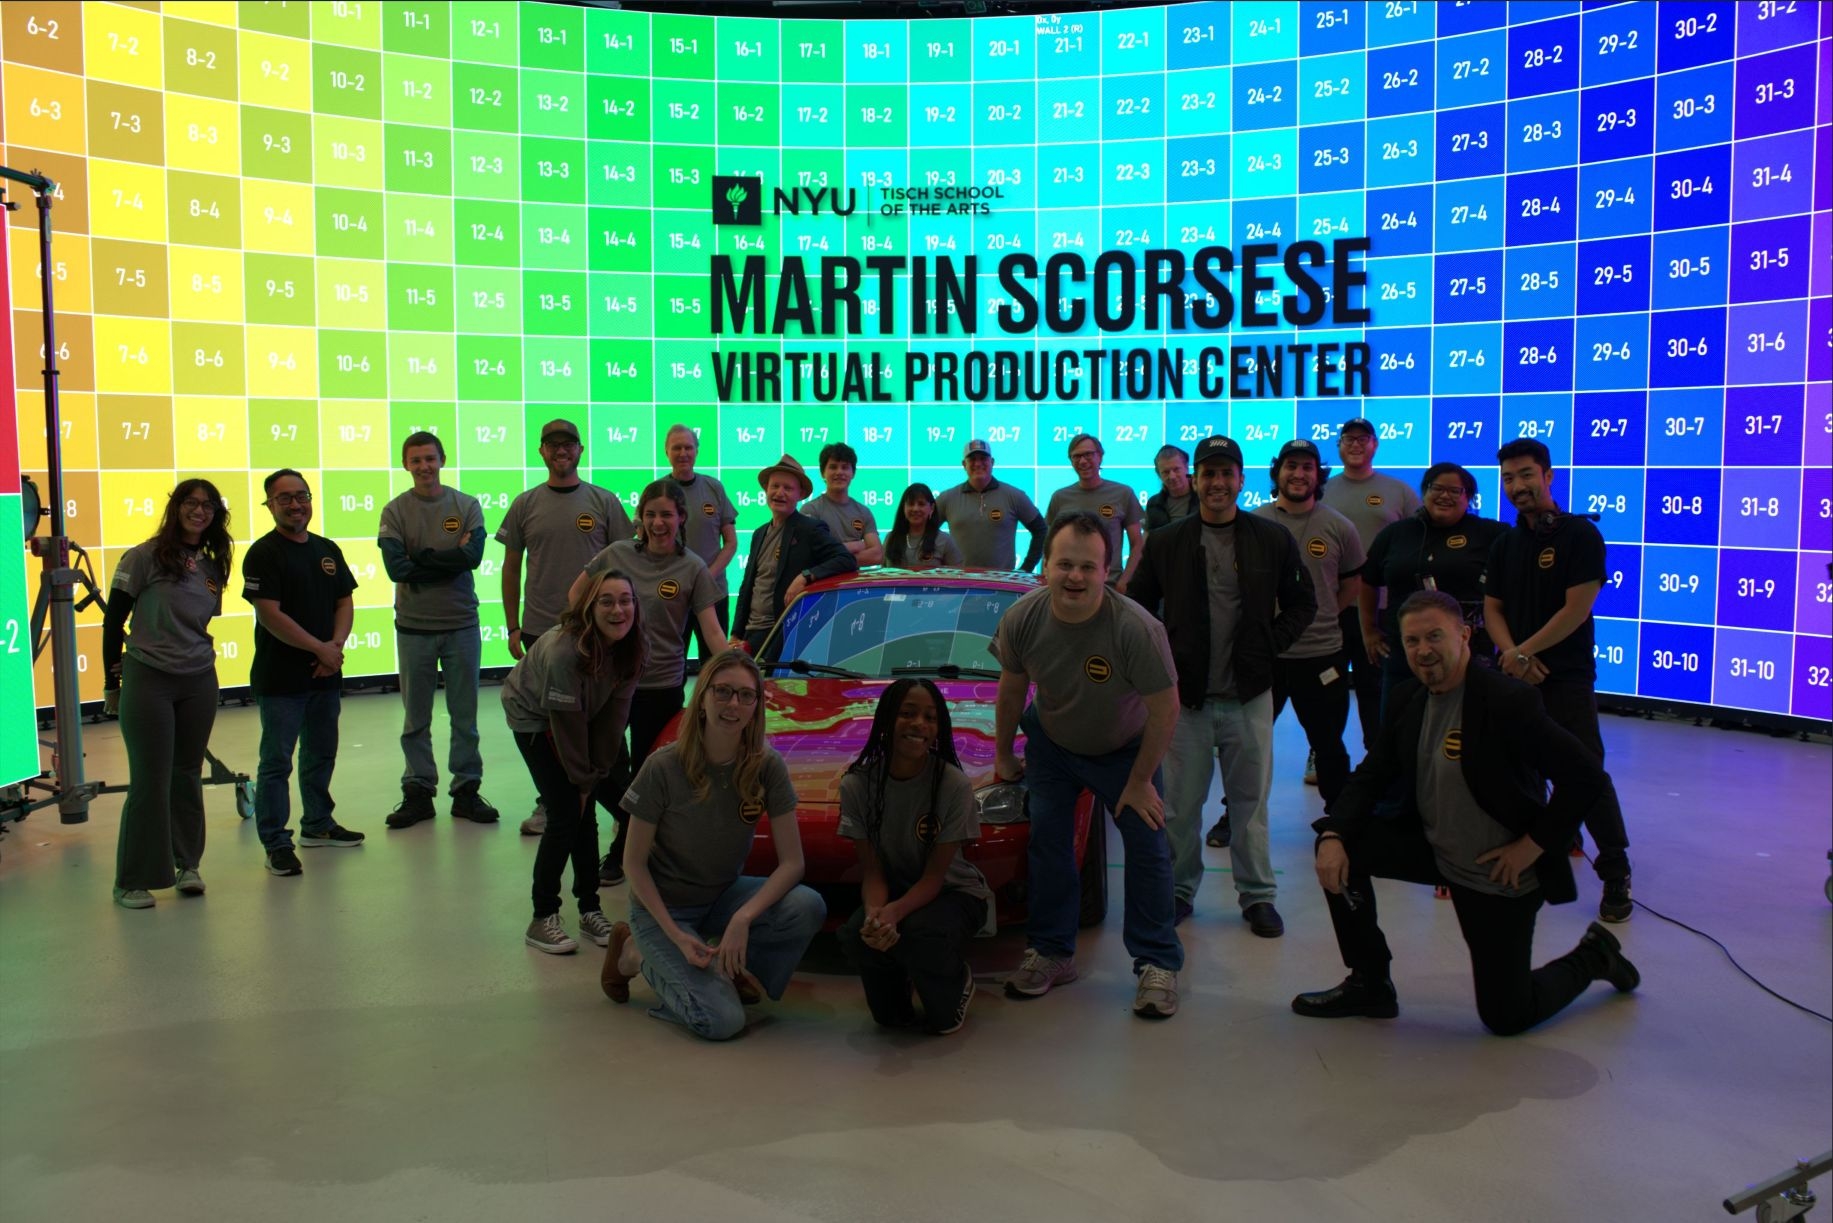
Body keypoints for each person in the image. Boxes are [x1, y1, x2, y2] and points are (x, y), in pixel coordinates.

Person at [1291, 591, 1640, 1034]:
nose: (1423, 650)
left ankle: (1595, 955)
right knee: (1341, 852)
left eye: (1435, 636)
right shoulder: (1406, 699)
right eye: (1412, 640)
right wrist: (1334, 834)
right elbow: (1372, 775)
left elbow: (1587, 777)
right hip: (1436, 850)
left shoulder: (1506, 701)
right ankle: (1370, 982)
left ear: (1465, 636)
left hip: (1498, 873)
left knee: (1506, 1017)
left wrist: (1531, 847)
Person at [992, 511, 1183, 1019]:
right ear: (1046, 568)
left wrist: (1141, 781)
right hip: (1053, 743)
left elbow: (1166, 709)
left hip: (1124, 751)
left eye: (1088, 566)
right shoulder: (1023, 618)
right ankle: (1052, 953)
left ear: (1108, 570)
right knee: (1048, 843)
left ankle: (1156, 963)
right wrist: (1004, 752)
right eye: (1064, 564)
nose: (1075, 576)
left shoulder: (1137, 629)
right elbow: (1012, 687)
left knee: (1147, 847)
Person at [1128, 437, 1316, 936]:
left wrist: (1267, 645)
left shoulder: (1271, 539)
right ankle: (1177, 891)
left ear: (1241, 480)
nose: (1217, 483)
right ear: (1196, 479)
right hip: (1184, 701)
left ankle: (1257, 897)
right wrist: (1160, 657)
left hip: (1249, 696)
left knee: (1250, 806)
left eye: (1226, 473)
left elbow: (1303, 603)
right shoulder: (1167, 542)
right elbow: (1139, 607)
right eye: (1208, 474)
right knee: (1179, 809)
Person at [599, 651, 827, 1041]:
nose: (733, 705)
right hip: (662, 908)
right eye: (722, 692)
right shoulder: (663, 767)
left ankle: (729, 971)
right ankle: (634, 952)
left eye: (745, 696)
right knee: (722, 1022)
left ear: (756, 706)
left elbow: (793, 864)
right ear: (702, 697)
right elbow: (633, 864)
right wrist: (673, 933)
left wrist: (742, 919)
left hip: (722, 896)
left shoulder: (766, 766)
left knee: (806, 906)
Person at [1482, 438, 1632, 923]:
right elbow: (1492, 610)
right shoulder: (1505, 544)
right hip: (1517, 674)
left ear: (1548, 476)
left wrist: (1525, 651)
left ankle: (1615, 871)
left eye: (1526, 475)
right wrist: (1511, 655)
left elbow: (1577, 609)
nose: (1517, 486)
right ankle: (1543, 852)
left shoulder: (1580, 536)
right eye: (1508, 478)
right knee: (1520, 770)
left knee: (1586, 770)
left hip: (1564, 676)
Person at [572, 478, 729, 885]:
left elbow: (711, 631)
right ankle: (632, 823)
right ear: (639, 518)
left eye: (667, 515)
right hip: (609, 682)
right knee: (601, 764)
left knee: (646, 773)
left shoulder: (692, 566)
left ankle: (626, 848)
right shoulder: (616, 554)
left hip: (660, 686)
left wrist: (733, 664)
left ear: (681, 518)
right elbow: (576, 597)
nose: (658, 522)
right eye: (650, 514)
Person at [496, 418, 633, 835]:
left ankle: (620, 808)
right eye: (552, 444)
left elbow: (624, 561)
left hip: (597, 632)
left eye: (568, 444)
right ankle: (552, 802)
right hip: (543, 632)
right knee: (553, 728)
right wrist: (513, 627)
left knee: (605, 724)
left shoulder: (604, 501)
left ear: (580, 450)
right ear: (541, 451)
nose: (561, 450)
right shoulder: (525, 503)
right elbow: (510, 566)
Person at [836, 680, 994, 1035]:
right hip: (896, 890)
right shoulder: (857, 785)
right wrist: (877, 917)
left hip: (955, 893)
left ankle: (957, 980)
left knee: (922, 940)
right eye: (907, 713)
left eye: (930, 717)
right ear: (887, 718)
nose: (919, 724)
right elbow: (873, 871)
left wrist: (894, 913)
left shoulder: (953, 785)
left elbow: (935, 878)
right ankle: (900, 979)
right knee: (857, 936)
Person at [102, 480, 232, 908]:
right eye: (191, 504)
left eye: (208, 506)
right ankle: (132, 880)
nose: (199, 511)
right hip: (149, 677)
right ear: (176, 508)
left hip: (198, 679)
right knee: (150, 780)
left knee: (187, 773)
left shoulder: (212, 567)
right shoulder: (143, 556)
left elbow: (200, 624)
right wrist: (111, 683)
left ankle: (187, 864)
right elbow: (113, 622)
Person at [502, 569, 645, 954]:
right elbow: (565, 728)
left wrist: (594, 775)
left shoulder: (633, 648)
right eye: (607, 601)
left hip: (585, 713)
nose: (618, 610)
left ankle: (589, 909)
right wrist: (582, 782)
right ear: (589, 607)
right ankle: (542, 916)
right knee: (566, 812)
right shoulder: (565, 651)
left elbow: (613, 723)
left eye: (626, 600)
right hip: (535, 716)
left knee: (585, 812)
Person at [242, 469, 361, 877]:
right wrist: (319, 648)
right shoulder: (263, 553)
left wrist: (336, 648)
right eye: (285, 498)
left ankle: (318, 825)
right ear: (270, 505)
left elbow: (344, 602)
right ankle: (276, 841)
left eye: (302, 495)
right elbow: (270, 615)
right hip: (281, 679)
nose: (296, 504)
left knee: (320, 753)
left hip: (325, 675)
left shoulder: (327, 549)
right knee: (276, 762)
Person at [377, 430, 497, 829]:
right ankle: (418, 791)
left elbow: (473, 557)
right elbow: (397, 568)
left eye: (430, 458)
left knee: (466, 716)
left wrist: (421, 557)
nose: (424, 466)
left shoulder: (467, 505)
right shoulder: (395, 511)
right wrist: (450, 557)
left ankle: (466, 791)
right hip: (414, 628)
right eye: (416, 460)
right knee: (416, 718)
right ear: (406, 465)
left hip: (461, 624)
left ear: (442, 459)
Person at [1252, 439, 1364, 815]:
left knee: (1329, 744)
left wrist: (1324, 611)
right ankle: (1235, 816)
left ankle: (1340, 819)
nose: (1299, 474)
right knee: (1248, 744)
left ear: (1318, 476)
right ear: (1277, 472)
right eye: (1291, 466)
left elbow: (1351, 583)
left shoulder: (1339, 526)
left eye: (1307, 467)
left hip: (1321, 655)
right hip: (1266, 654)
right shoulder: (1254, 522)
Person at [1359, 463, 1508, 716]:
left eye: (1455, 491)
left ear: (1469, 497)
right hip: (1404, 653)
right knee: (1398, 729)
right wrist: (1369, 631)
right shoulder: (1396, 533)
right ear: (1424, 492)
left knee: (1466, 729)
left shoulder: (1490, 533)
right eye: (1436, 488)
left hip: (1465, 656)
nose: (1444, 496)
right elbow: (1368, 580)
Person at [1320, 417, 1420, 753]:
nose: (1356, 444)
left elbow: (1419, 540)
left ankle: (1377, 755)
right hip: (1333, 608)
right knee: (1328, 684)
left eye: (1363, 439)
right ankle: (1322, 753)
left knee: (1373, 686)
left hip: (1382, 610)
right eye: (1349, 438)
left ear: (1375, 445)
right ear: (1339, 446)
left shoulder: (1399, 491)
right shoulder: (1323, 490)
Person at [732, 454, 858, 653]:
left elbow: (846, 560)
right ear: (766, 490)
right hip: (750, 634)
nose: (779, 493)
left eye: (787, 488)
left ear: (800, 495)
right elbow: (748, 585)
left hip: (782, 632)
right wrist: (735, 633)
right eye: (775, 486)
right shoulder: (759, 533)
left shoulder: (809, 529)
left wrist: (806, 576)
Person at [1032, 434, 1146, 590]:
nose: (1083, 461)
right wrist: (1047, 579)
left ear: (1100, 456)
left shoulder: (1123, 494)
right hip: (1067, 588)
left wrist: (1124, 581)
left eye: (1088, 454)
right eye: (1076, 456)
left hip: (1108, 587)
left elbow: (1137, 544)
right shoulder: (1060, 497)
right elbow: (1048, 545)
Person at [663, 423, 740, 653]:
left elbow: (731, 542)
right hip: (672, 592)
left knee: (715, 662)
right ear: (666, 452)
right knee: (671, 663)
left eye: (688, 447)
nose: (683, 453)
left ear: (697, 450)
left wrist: (706, 576)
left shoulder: (714, 487)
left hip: (713, 591)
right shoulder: (658, 491)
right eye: (676, 448)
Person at [935, 438, 1047, 570]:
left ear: (992, 462)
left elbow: (1041, 530)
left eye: (983, 458)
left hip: (1000, 584)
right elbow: (924, 532)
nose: (978, 463)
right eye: (972, 459)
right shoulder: (948, 498)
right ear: (964, 465)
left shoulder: (1014, 496)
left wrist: (1026, 569)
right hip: (960, 583)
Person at [800, 441, 884, 565]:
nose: (839, 472)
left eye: (845, 467)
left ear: (853, 473)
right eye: (833, 467)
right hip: (821, 583)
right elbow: (811, 554)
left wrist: (835, 558)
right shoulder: (810, 510)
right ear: (823, 473)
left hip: (854, 584)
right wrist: (858, 545)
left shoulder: (863, 512)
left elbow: (877, 555)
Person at [884, 482, 963, 570]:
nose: (915, 509)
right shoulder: (890, 538)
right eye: (911, 504)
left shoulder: (944, 540)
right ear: (903, 508)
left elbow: (958, 576)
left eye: (921, 504)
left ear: (932, 508)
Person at [1145, 444, 1195, 531]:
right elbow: (1148, 538)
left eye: (1176, 469)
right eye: (1166, 472)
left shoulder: (1204, 498)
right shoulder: (1153, 504)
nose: (1172, 476)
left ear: (1186, 468)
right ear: (1159, 475)